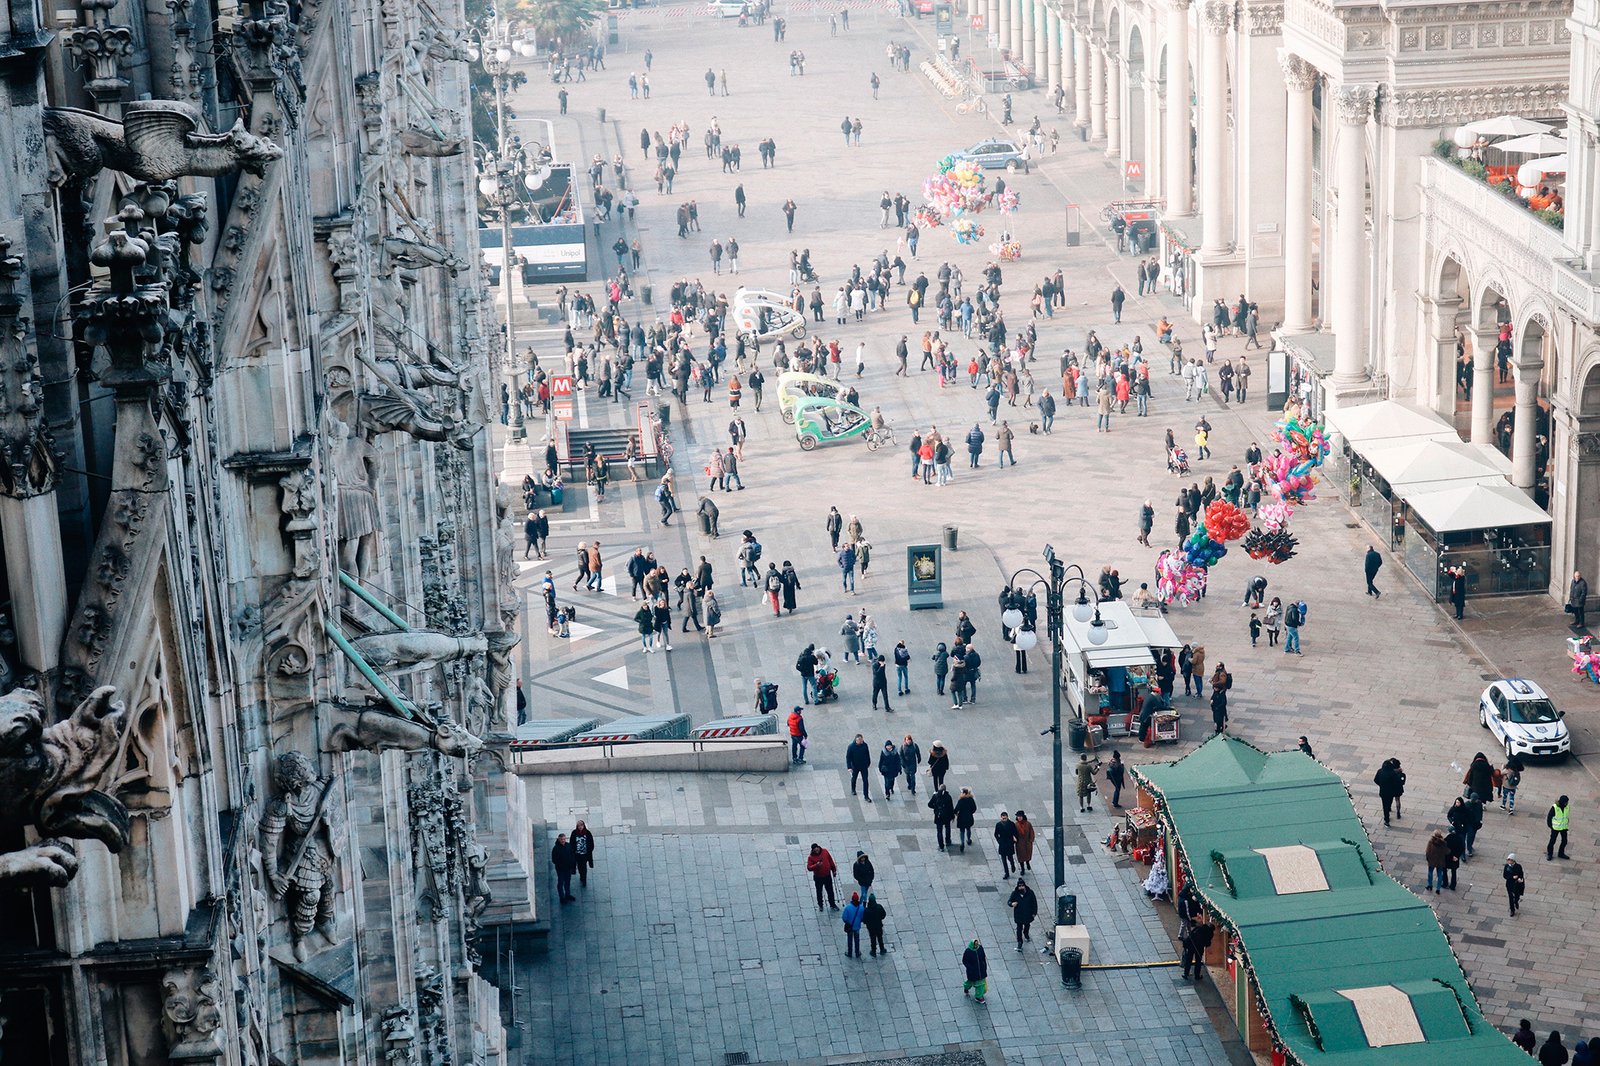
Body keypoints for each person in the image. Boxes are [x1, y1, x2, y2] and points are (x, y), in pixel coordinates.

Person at [1008, 878, 1038, 950]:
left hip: (1028, 915)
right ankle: (1019, 942)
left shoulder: (1030, 893)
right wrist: (1012, 904)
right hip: (1019, 915)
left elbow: (1034, 903)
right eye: (1019, 886)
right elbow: (1009, 901)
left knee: (1027, 925)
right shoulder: (1015, 893)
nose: (1021, 887)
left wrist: (1034, 913)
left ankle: (1026, 934)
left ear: (1024, 886)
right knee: (1019, 929)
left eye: (1022, 886)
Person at [806, 842, 838, 909]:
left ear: (818, 847)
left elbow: (830, 860)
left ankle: (832, 904)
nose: (816, 850)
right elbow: (809, 867)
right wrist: (816, 865)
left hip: (827, 875)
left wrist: (834, 870)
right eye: (815, 850)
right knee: (819, 891)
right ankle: (820, 905)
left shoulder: (825, 851)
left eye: (817, 849)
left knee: (830, 891)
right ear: (813, 850)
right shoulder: (811, 857)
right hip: (818, 877)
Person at [1374, 757, 1406, 825]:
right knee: (1390, 801)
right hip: (1391, 792)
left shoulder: (1380, 771)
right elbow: (1397, 781)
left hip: (1383, 792)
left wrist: (1381, 785)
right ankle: (1393, 811)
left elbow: (1376, 780)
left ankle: (1387, 819)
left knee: (1385, 805)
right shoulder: (1392, 773)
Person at [550, 832, 578, 903]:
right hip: (561, 870)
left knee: (567, 882)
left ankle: (567, 895)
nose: (563, 840)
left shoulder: (568, 845)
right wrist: (561, 865)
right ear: (559, 839)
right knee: (560, 883)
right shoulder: (555, 849)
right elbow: (554, 860)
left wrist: (573, 866)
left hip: (568, 868)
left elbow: (572, 855)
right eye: (561, 839)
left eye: (564, 839)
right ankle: (561, 898)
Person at [847, 734, 873, 801]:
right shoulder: (851, 747)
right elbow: (848, 757)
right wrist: (849, 767)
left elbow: (867, 754)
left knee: (865, 781)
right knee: (854, 778)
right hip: (855, 766)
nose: (862, 741)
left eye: (862, 740)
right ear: (856, 740)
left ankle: (866, 796)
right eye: (860, 740)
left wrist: (868, 762)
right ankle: (853, 789)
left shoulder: (865, 745)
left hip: (864, 766)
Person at [929, 783, 955, 850]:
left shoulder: (935, 796)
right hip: (947, 815)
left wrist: (936, 808)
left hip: (938, 815)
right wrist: (952, 816)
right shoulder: (948, 796)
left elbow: (929, 804)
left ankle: (941, 846)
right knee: (947, 827)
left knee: (939, 831)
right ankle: (948, 841)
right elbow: (951, 807)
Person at [993, 811, 1018, 879]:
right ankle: (1006, 873)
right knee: (1004, 860)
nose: (1004, 819)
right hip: (1002, 844)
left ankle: (1012, 865)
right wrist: (999, 841)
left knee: (1010, 858)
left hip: (1009, 843)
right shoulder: (998, 825)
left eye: (1005, 818)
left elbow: (1015, 833)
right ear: (1001, 818)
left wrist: (1013, 841)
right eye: (1003, 818)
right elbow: (996, 834)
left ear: (1007, 817)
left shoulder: (1011, 824)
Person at [571, 820, 596, 887]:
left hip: (585, 854)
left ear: (583, 825)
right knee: (579, 866)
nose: (580, 827)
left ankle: (583, 879)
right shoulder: (574, 833)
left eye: (581, 825)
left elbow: (591, 843)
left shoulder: (587, 833)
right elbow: (572, 843)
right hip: (577, 854)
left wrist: (589, 851)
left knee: (584, 867)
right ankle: (581, 875)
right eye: (579, 826)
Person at [840, 892, 865, 958]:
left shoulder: (848, 908)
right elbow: (863, 918)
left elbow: (844, 918)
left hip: (850, 927)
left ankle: (850, 952)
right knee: (857, 940)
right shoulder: (861, 908)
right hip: (857, 927)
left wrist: (847, 922)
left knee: (849, 940)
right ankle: (857, 952)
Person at [1547, 795, 1571, 860]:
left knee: (1564, 841)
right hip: (1555, 828)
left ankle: (1561, 853)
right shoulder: (1554, 807)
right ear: (1562, 802)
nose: (1567, 803)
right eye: (1566, 802)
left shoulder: (1567, 807)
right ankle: (1549, 854)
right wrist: (1550, 826)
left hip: (1564, 827)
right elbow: (1549, 817)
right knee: (1552, 841)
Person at [954, 787, 977, 851]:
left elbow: (956, 809)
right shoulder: (971, 800)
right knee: (968, 828)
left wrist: (956, 813)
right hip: (969, 817)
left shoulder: (961, 800)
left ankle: (962, 843)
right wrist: (970, 812)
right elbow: (974, 808)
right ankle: (969, 839)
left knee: (962, 831)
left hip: (961, 817)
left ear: (964, 793)